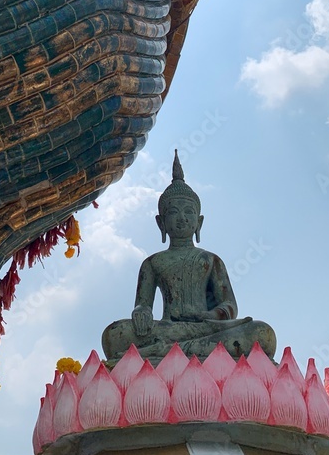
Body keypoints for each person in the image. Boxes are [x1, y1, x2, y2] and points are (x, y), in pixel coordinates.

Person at [102, 152, 277, 362]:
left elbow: (229, 305)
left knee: (262, 334)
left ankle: (163, 351)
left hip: (207, 328)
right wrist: (141, 313)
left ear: (199, 222)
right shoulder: (152, 263)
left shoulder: (211, 260)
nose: (182, 218)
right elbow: (143, 304)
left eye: (189, 212)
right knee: (114, 334)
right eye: (174, 212)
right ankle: (185, 349)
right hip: (168, 328)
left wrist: (211, 316)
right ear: (161, 223)